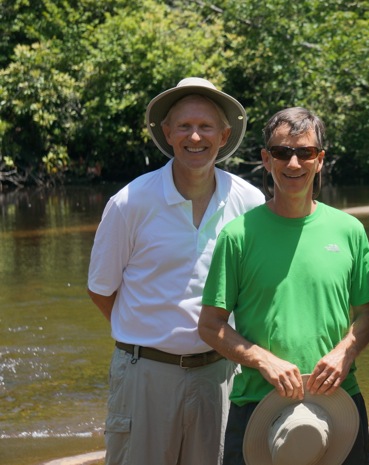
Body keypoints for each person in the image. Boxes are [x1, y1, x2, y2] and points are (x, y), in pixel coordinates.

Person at [87, 77, 265, 465]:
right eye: (184, 126)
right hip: (145, 376)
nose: (195, 137)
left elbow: (254, 290)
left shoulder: (250, 201)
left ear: (224, 134)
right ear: (167, 133)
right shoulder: (130, 202)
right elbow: (101, 289)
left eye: (205, 127)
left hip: (219, 375)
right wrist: (147, 336)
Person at [198, 107, 369, 465]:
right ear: (266, 159)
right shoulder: (238, 236)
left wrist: (345, 353)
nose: (293, 163)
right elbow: (210, 325)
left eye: (305, 152)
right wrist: (262, 360)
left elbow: (366, 315)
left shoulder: (349, 231)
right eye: (282, 152)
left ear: (320, 159)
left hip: (340, 402)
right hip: (257, 405)